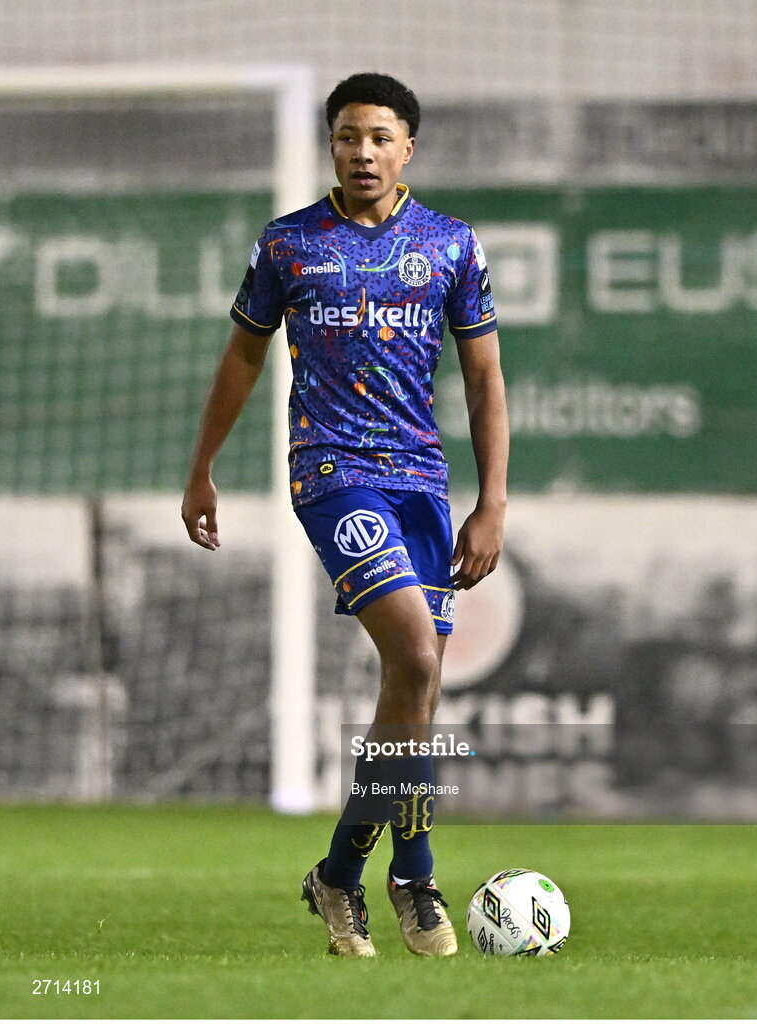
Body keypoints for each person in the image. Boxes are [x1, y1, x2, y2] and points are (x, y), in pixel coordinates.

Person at [181, 72, 509, 958]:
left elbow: (483, 376)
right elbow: (243, 358)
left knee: (417, 689)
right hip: (331, 474)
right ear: (331, 145)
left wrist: (491, 503)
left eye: (378, 137)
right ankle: (415, 874)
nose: (361, 151)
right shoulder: (289, 245)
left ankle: (336, 875)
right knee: (410, 655)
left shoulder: (449, 245)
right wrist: (202, 467)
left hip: (421, 484)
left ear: (407, 148)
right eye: (346, 136)